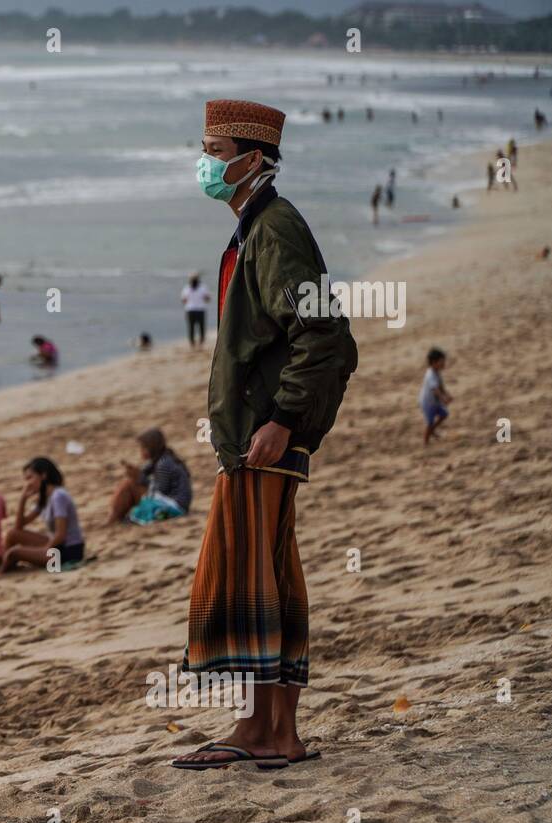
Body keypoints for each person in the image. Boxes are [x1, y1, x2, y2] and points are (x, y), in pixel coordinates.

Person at [174, 99, 357, 771]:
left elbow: (326, 336)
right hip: (253, 438)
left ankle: (266, 731)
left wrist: (283, 420)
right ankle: (269, 730)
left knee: (251, 577)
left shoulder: (274, 229)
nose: (205, 163)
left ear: (253, 160)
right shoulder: (255, 227)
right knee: (266, 573)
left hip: (264, 439)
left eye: (215, 151)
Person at [1, 457, 85, 571]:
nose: (28, 484)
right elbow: (18, 527)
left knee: (13, 553)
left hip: (68, 551)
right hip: (56, 545)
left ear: (43, 475)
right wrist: (23, 499)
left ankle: (3, 571)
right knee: (11, 534)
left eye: (30, 478)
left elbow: (61, 535)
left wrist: (44, 549)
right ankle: (8, 567)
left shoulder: (58, 496)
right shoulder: (45, 497)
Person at [108, 428, 193, 524]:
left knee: (129, 485)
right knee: (130, 482)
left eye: (143, 448)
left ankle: (114, 518)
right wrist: (135, 472)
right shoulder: (160, 459)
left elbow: (160, 490)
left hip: (175, 506)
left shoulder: (163, 464)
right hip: (176, 504)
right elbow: (145, 473)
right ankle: (116, 517)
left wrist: (140, 478)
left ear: (152, 448)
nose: (141, 451)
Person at [419, 348, 451, 444]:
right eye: (441, 362)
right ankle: (426, 441)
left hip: (435, 402)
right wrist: (443, 399)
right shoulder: (430, 375)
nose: (444, 364)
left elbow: (440, 386)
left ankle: (432, 430)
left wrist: (447, 394)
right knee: (429, 423)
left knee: (444, 414)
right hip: (427, 403)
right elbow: (435, 390)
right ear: (434, 362)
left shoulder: (437, 372)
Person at [180, 273, 211, 346]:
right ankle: (197, 342)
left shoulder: (187, 288)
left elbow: (184, 300)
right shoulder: (202, 287)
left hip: (192, 309)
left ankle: (194, 342)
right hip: (198, 309)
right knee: (199, 327)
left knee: (193, 327)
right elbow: (207, 299)